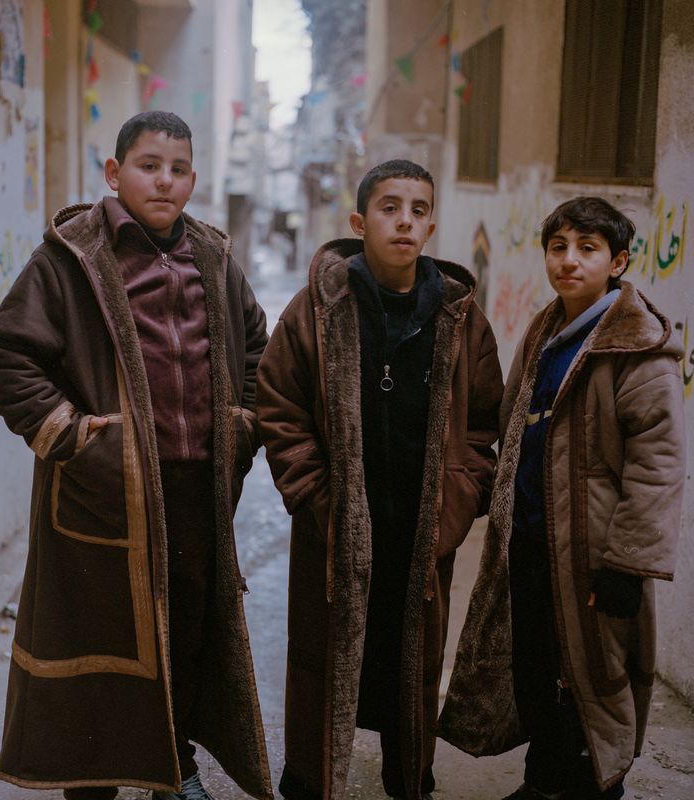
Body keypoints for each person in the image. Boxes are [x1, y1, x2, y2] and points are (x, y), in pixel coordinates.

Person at [0, 111, 272, 800]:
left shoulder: (214, 259)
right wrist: (72, 435)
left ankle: (173, 762)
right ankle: (94, 780)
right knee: (105, 641)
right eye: (148, 165)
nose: (163, 180)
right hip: (108, 488)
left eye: (177, 169)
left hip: (196, 484)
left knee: (186, 633)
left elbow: (258, 346)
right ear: (114, 173)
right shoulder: (72, 257)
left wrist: (243, 422)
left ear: (193, 180)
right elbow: (3, 354)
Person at [256, 159, 503, 800]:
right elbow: (279, 407)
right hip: (335, 526)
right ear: (360, 222)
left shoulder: (460, 316)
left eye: (419, 209)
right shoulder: (318, 309)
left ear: (430, 224)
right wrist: (314, 496)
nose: (405, 221)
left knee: (411, 662)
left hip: (424, 529)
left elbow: (483, 426)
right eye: (390, 208)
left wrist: (459, 497)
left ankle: (409, 776)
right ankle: (311, 778)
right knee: (324, 661)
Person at [439, 196, 686, 800]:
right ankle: (545, 780)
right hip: (530, 539)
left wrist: (628, 561)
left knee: (593, 677)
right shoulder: (547, 330)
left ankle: (595, 787)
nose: (569, 261)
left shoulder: (638, 348)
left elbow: (659, 465)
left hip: (594, 554)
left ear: (619, 261)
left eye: (588, 249)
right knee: (538, 669)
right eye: (558, 247)